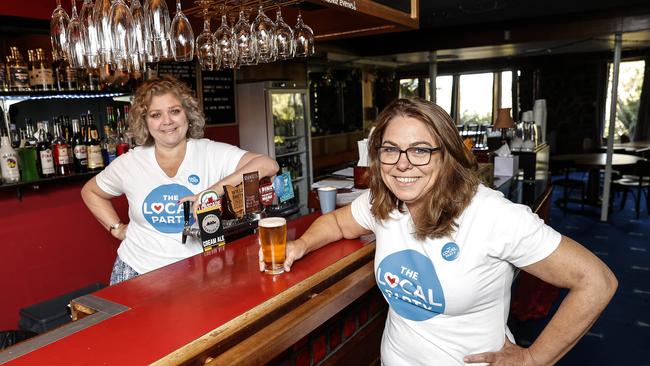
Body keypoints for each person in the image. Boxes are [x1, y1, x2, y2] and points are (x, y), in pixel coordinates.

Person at [273, 98, 617, 365]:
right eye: (390, 149)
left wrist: (533, 358)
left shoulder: (491, 214)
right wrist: (301, 243)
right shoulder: (384, 202)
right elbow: (336, 222)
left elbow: (596, 281)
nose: (402, 163)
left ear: (447, 155)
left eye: (420, 150)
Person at [82, 76, 278, 285]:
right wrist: (117, 228)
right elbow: (91, 191)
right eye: (156, 115)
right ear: (145, 122)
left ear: (187, 114)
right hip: (136, 272)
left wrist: (211, 192)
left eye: (174, 111)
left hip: (201, 271)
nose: (167, 121)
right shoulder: (130, 162)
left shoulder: (210, 152)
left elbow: (267, 164)